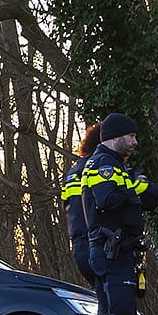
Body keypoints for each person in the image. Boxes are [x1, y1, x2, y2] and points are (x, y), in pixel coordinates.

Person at [62, 112, 158, 315]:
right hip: (108, 249)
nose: (135, 142)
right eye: (131, 136)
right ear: (115, 136)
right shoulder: (102, 165)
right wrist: (134, 188)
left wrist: (132, 188)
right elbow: (107, 200)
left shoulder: (111, 165)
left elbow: (154, 196)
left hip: (112, 248)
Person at [59, 123, 102, 288]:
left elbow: (67, 206)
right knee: (115, 305)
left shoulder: (71, 174)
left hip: (79, 248)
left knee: (103, 300)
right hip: (99, 244)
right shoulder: (100, 168)